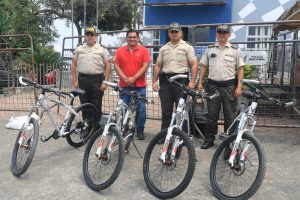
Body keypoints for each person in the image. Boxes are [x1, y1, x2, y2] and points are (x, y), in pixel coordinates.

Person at [197, 24, 245, 149]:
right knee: (212, 115)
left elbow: (240, 69)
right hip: (213, 86)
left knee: (230, 116)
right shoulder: (210, 49)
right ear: (216, 34)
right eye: (220, 33)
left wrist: (239, 86)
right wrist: (200, 81)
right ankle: (209, 139)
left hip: (229, 87)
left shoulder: (235, 50)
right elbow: (203, 66)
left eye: (225, 33)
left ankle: (229, 142)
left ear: (229, 35)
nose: (222, 35)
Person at [152, 22, 198, 142]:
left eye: (176, 31)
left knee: (181, 111)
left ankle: (181, 138)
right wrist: (154, 81)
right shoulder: (164, 48)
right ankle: (164, 136)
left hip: (181, 81)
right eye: (171, 32)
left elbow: (194, 64)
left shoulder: (187, 47)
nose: (174, 34)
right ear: (168, 33)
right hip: (166, 81)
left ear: (181, 33)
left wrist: (192, 82)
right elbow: (157, 65)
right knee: (166, 111)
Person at [114, 29, 151, 140]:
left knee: (141, 109)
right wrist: (125, 79)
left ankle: (139, 130)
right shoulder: (120, 51)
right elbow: (116, 66)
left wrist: (133, 78)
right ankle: (124, 129)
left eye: (134, 37)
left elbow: (145, 66)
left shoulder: (144, 50)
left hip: (140, 86)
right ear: (126, 38)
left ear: (138, 38)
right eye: (130, 37)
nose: (132, 39)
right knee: (123, 108)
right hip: (124, 86)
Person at [72, 27, 111, 128]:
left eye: (91, 35)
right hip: (82, 79)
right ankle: (86, 126)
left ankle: (95, 126)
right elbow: (73, 64)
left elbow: (108, 65)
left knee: (96, 105)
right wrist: (74, 80)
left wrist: (105, 82)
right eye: (87, 34)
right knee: (84, 104)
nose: (89, 36)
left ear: (95, 37)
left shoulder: (102, 49)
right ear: (85, 36)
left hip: (97, 80)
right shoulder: (79, 48)